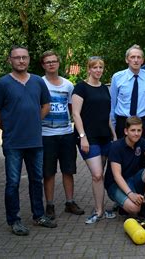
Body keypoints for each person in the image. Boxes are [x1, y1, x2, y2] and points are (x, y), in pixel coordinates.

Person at [0, 45, 56, 236]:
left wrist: (34, 121)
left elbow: (46, 105)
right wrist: (8, 127)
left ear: (28, 59)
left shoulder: (37, 81)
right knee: (13, 183)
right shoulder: (2, 84)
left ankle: (39, 215)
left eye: (24, 57)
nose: (21, 61)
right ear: (10, 60)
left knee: (36, 180)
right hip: (13, 143)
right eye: (17, 58)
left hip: (35, 141)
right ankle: (14, 220)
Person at [72, 56, 117, 224]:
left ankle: (101, 208)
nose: (98, 70)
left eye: (100, 67)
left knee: (102, 175)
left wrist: (114, 134)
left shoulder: (105, 89)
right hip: (89, 138)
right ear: (89, 69)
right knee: (97, 174)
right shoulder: (81, 88)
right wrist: (83, 137)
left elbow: (106, 115)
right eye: (95, 67)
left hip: (105, 136)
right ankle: (98, 211)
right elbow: (76, 114)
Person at [40, 51, 84, 219]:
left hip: (66, 134)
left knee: (68, 170)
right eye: (47, 62)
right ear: (43, 65)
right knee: (48, 172)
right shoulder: (39, 84)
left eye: (54, 61)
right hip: (46, 135)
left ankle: (70, 202)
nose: (51, 64)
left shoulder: (68, 85)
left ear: (59, 63)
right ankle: (49, 205)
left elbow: (74, 111)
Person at [110, 45, 145, 167]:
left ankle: (142, 185)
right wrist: (113, 128)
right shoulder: (117, 77)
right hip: (123, 123)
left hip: (144, 123)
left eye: (139, 57)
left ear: (143, 60)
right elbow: (112, 104)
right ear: (127, 59)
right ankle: (123, 185)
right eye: (132, 57)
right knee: (123, 159)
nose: (136, 60)